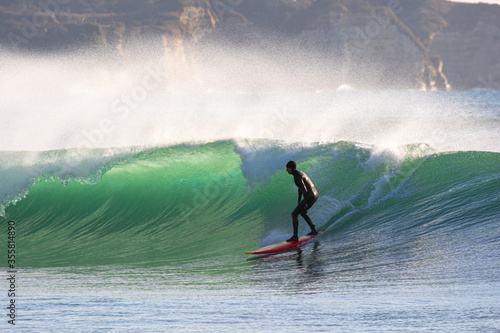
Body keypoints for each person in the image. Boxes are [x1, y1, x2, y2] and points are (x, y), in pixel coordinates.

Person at [285, 160, 318, 242]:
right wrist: (299, 202)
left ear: (291, 168)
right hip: (315, 194)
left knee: (294, 214)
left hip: (309, 196)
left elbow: (304, 189)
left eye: (287, 168)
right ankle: (313, 230)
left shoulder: (296, 177)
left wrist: (305, 202)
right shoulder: (299, 173)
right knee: (302, 212)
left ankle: (295, 236)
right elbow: (300, 189)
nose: (286, 170)